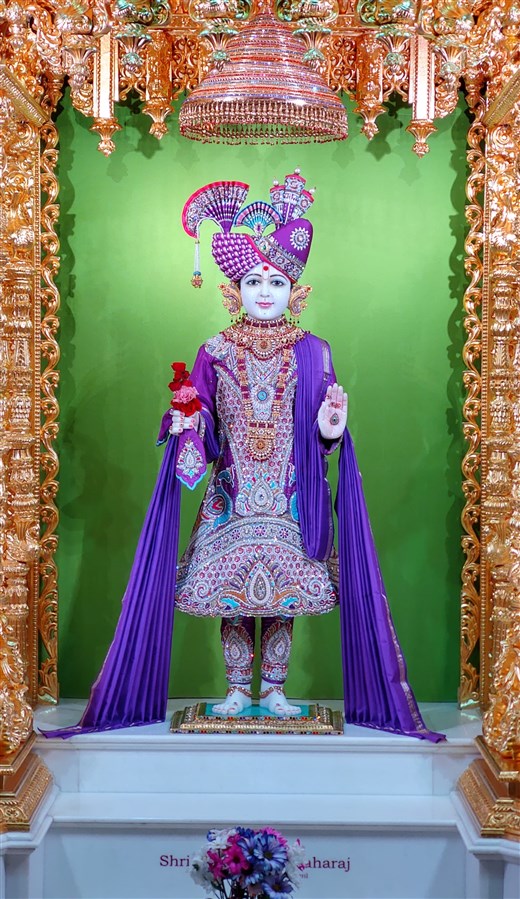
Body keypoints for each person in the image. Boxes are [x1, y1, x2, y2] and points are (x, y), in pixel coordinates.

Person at [44, 170, 444, 741]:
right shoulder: (213, 350)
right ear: (234, 289)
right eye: (253, 280)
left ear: (295, 290)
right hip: (231, 497)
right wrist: (188, 422)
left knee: (281, 598)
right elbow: (204, 421)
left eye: (276, 281)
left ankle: (275, 691)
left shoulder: (315, 351)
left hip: (289, 496)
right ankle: (236, 689)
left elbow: (321, 433)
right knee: (233, 598)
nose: (264, 291)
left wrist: (331, 428)